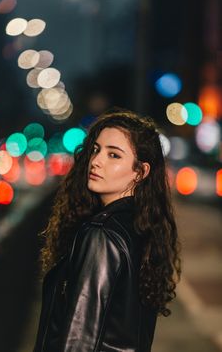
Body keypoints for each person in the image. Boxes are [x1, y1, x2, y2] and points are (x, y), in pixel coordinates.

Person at [33, 108, 181, 352]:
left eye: (114, 155)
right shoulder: (141, 228)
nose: (96, 161)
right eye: (95, 150)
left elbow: (78, 340)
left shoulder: (101, 234)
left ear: (140, 172)